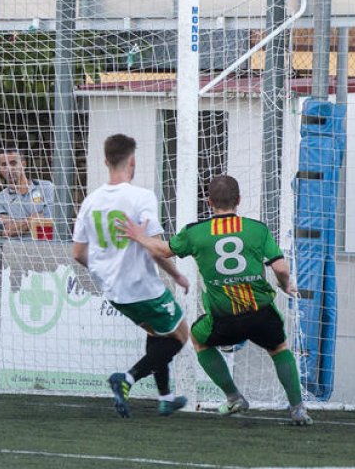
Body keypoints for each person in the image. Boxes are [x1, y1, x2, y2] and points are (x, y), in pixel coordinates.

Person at [118, 174, 312, 426]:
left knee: (198, 339)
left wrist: (139, 237)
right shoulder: (257, 229)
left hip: (224, 319)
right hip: (261, 312)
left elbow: (163, 250)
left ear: (208, 201)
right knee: (278, 349)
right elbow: (282, 269)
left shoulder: (195, 233)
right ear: (239, 200)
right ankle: (297, 409)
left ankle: (234, 397)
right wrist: (285, 286)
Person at [71, 134, 192, 418]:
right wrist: (177, 276)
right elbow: (155, 250)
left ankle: (166, 397)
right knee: (179, 336)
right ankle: (127, 378)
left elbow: (77, 253)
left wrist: (104, 269)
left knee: (157, 332)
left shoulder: (90, 201)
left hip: (113, 291)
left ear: (105, 161)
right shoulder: (141, 197)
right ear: (133, 161)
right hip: (142, 287)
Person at [0, 148, 55, 239]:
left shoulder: (46, 187)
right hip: (16, 251)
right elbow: (6, 231)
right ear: (0, 169)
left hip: (49, 248)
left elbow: (51, 223)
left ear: (23, 164)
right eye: (4, 165)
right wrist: (33, 219)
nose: (9, 169)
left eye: (13, 163)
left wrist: (18, 225)